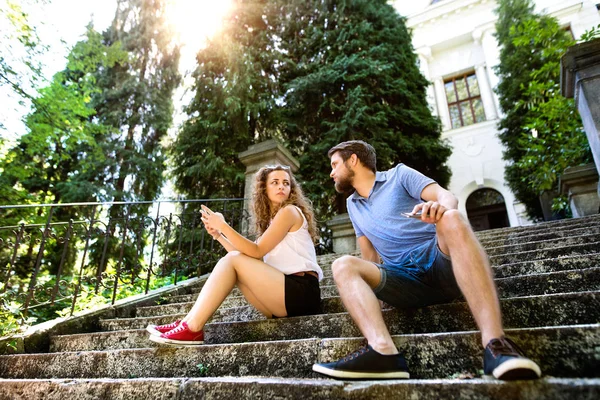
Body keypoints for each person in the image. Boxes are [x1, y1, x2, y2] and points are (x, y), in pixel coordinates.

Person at [312, 140, 541, 380]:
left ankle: (496, 344)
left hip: (441, 262)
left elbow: (446, 196)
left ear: (353, 160)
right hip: (403, 279)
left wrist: (439, 209)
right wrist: (369, 313)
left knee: (452, 217)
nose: (331, 172)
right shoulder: (352, 205)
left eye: (335, 164)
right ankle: (382, 350)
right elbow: (369, 257)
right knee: (343, 265)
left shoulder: (399, 175)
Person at [147, 165, 323, 345]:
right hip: (283, 297)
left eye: (286, 183)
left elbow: (256, 251)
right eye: (275, 182)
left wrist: (223, 225)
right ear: (264, 188)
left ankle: (192, 328)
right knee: (234, 265)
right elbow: (247, 259)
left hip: (302, 293)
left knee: (233, 261)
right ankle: (186, 323)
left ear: (291, 189)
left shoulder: (290, 211)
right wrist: (218, 236)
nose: (281, 187)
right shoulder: (270, 225)